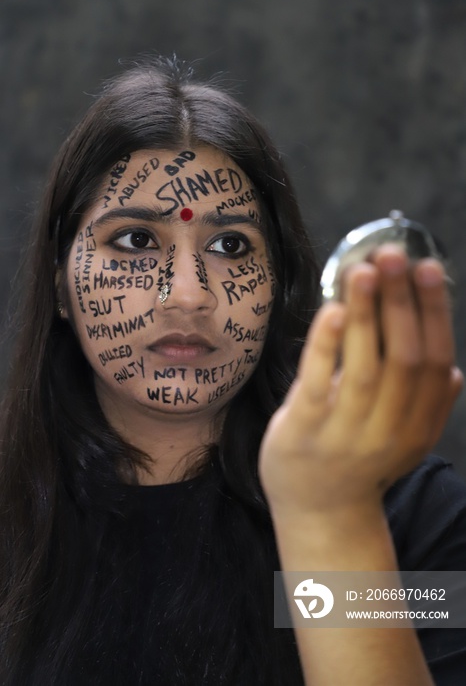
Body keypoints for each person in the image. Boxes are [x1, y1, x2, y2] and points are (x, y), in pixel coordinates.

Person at [1, 55, 466, 686]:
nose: (188, 295)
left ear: (279, 283)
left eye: (231, 246)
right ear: (60, 282)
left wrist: (330, 517)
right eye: (136, 240)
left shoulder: (410, 515)